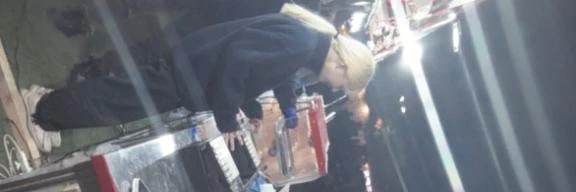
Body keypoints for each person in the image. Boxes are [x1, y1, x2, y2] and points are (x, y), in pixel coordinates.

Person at [21, 5, 375, 152]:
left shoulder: (304, 41)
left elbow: (256, 69)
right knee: (116, 100)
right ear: (342, 66)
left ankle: (51, 109)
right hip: (191, 74)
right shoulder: (300, 45)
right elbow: (237, 61)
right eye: (342, 83)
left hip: (193, 67)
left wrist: (251, 106)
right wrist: (227, 118)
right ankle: (42, 111)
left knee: (119, 95)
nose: (334, 87)